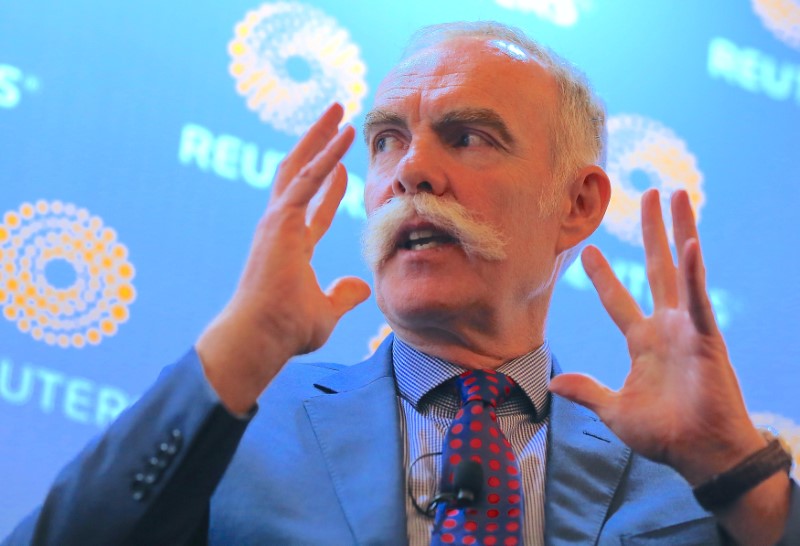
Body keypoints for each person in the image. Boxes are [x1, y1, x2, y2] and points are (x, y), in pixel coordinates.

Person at [4, 21, 797, 546]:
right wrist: (243, 346)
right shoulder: (239, 423)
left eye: (468, 136)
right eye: (387, 141)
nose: (411, 170)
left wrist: (744, 477)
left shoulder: (697, 480)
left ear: (579, 203)